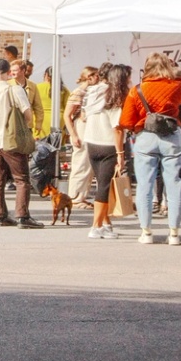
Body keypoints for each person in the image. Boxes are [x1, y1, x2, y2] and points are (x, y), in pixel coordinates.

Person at [119, 51, 181, 245]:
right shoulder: (176, 86)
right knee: (175, 184)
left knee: (145, 186)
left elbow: (126, 120)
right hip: (172, 136)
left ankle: (146, 232)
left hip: (146, 136)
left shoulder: (137, 90)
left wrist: (138, 127)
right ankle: (174, 233)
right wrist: (177, 75)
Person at [0, 58, 41, 228]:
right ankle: (22, 215)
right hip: (12, 139)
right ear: (8, 73)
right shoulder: (15, 90)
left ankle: (1, 215)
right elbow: (28, 114)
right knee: (21, 178)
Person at [74, 63, 126, 239]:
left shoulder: (94, 92)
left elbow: (83, 114)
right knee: (104, 187)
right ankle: (95, 226)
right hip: (107, 144)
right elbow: (117, 129)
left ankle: (105, 223)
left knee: (101, 184)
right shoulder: (114, 97)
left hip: (91, 142)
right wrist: (121, 154)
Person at [63, 65, 100, 207]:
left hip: (90, 126)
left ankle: (82, 195)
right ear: (88, 76)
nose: (98, 78)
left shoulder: (92, 92)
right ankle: (74, 196)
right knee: (81, 162)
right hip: (81, 127)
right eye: (95, 75)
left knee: (88, 163)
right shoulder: (78, 92)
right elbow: (67, 115)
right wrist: (73, 134)